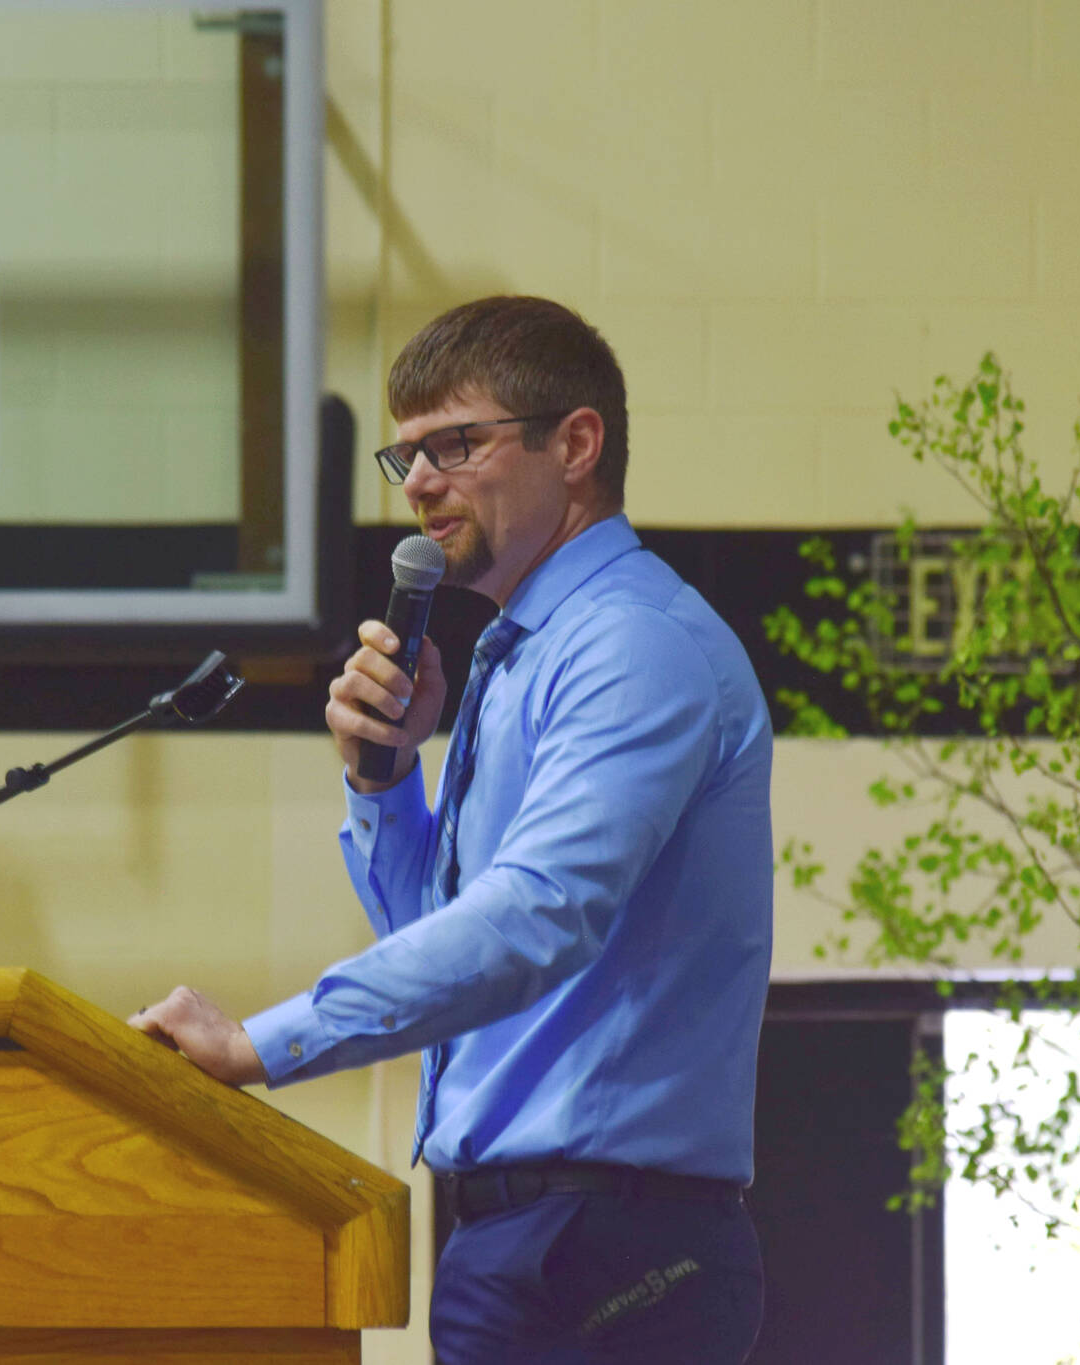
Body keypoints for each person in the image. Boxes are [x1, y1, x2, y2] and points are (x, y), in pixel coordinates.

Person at [130, 296, 773, 1364]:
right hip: (531, 1235)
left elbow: (535, 921)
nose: (419, 482)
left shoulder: (630, 647)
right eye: (405, 454)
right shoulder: (518, 653)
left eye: (454, 445)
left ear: (573, 444)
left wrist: (260, 1046)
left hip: (608, 1241)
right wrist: (383, 783)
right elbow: (447, 927)